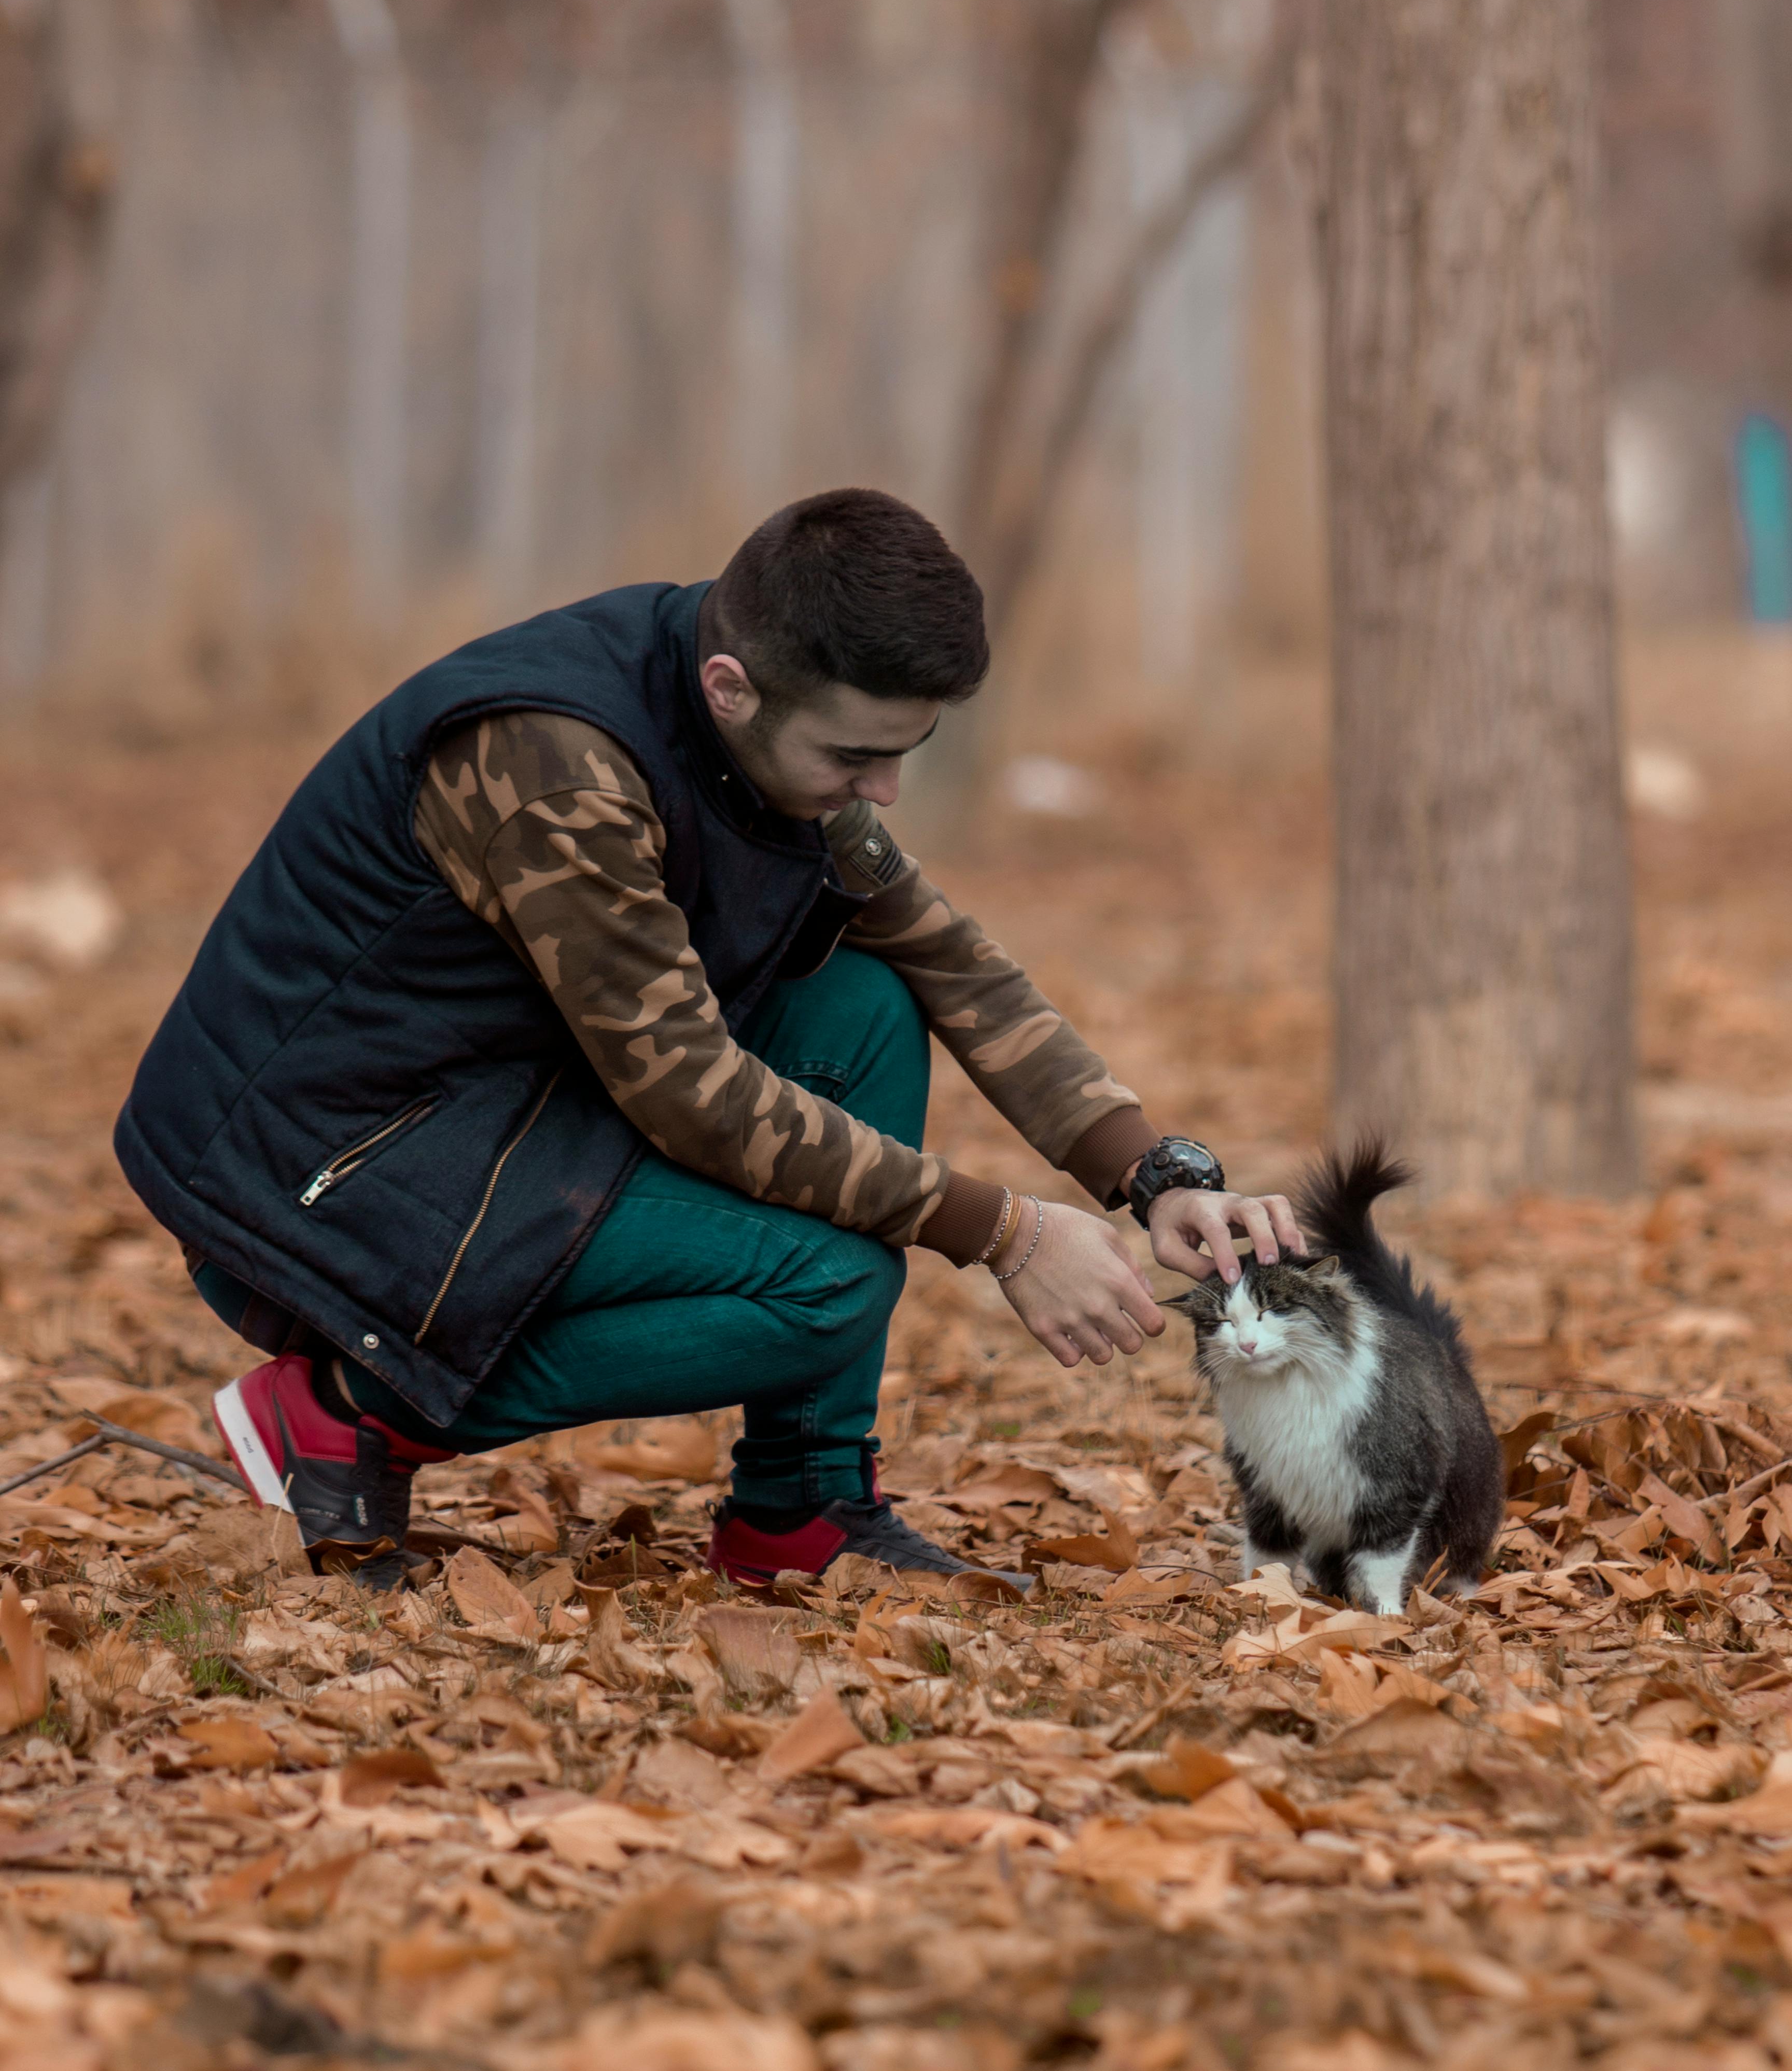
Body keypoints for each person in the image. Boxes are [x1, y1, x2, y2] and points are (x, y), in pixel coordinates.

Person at [116, 489, 1302, 1588]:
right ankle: (343, 1412)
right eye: (854, 757)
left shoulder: (765, 745)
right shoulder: (558, 766)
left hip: (507, 1114)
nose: (882, 792)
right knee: (828, 1288)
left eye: (905, 753)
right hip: (323, 1181)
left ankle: (801, 1508)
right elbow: (692, 1092)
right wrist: (999, 1231)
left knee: (867, 1003)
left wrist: (1152, 1173)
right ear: (733, 687)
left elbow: (954, 962)